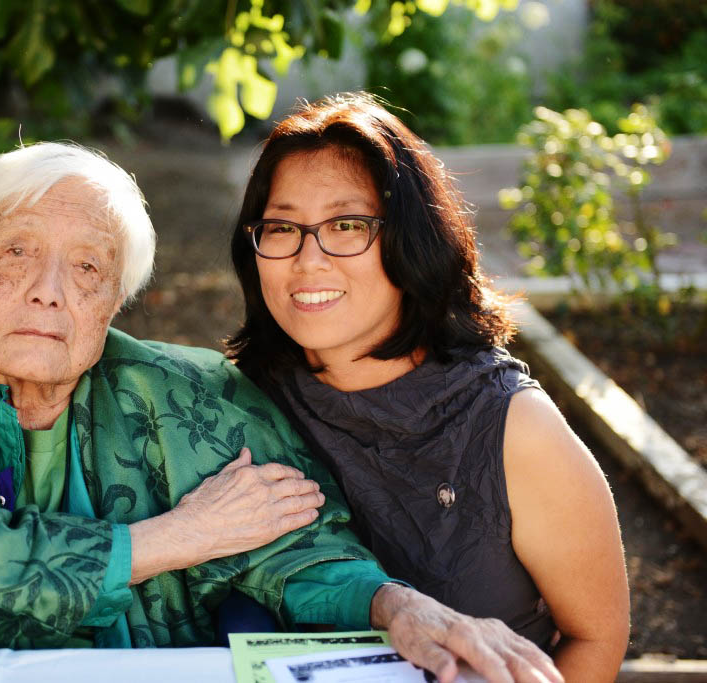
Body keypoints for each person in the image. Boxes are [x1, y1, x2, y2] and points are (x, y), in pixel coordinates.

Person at [0, 141, 559, 683]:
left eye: (86, 266)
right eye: (16, 251)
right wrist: (180, 535)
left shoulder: (183, 395)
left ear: (114, 302)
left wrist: (398, 604)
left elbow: (297, 543)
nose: (48, 288)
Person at [227, 92, 630, 680]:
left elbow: (597, 635)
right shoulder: (234, 401)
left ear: (410, 240)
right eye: (283, 226)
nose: (307, 259)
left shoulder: (514, 428)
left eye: (346, 225)